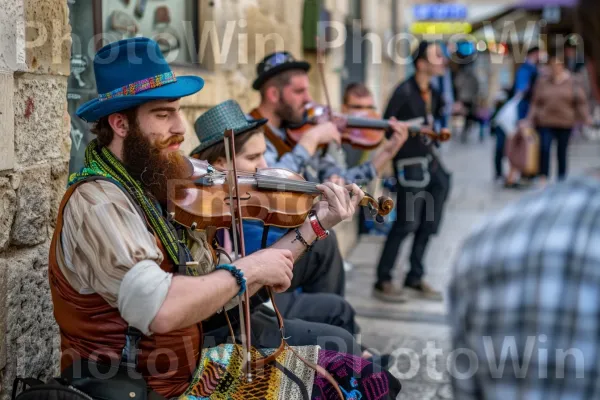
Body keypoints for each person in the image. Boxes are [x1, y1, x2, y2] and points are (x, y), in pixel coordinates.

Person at [49, 37, 394, 399]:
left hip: (197, 370)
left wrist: (314, 226)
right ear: (120, 124)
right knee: (354, 385)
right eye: (164, 115)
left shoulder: (155, 186)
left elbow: (224, 289)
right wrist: (252, 268)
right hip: (153, 389)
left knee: (364, 376)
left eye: (179, 111)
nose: (181, 128)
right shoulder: (98, 202)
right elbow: (161, 310)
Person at [448, 2, 600, 395]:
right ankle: (552, 180)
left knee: (561, 154)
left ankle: (559, 182)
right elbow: (532, 101)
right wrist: (529, 117)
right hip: (548, 123)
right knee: (548, 154)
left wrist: (581, 114)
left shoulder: (498, 247)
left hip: (564, 125)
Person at [248, 51, 409, 186]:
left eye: (308, 91)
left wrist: (386, 153)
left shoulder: (298, 130)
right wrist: (311, 139)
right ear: (273, 94)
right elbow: (269, 182)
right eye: (299, 91)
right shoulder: (249, 132)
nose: (308, 99)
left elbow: (342, 183)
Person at [373, 41, 451, 303]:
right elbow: (388, 126)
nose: (442, 60)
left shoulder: (435, 93)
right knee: (406, 222)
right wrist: (412, 129)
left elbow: (439, 120)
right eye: (436, 56)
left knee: (430, 221)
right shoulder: (404, 91)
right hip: (410, 165)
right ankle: (383, 278)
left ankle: (415, 275)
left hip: (431, 162)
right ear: (421, 64)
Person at [523, 45, 591, 184]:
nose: (555, 67)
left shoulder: (572, 81)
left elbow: (580, 102)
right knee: (544, 149)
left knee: (562, 151)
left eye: (558, 64)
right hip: (545, 121)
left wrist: (586, 118)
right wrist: (529, 119)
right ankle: (543, 177)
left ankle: (561, 179)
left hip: (565, 121)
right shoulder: (542, 81)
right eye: (552, 64)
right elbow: (535, 102)